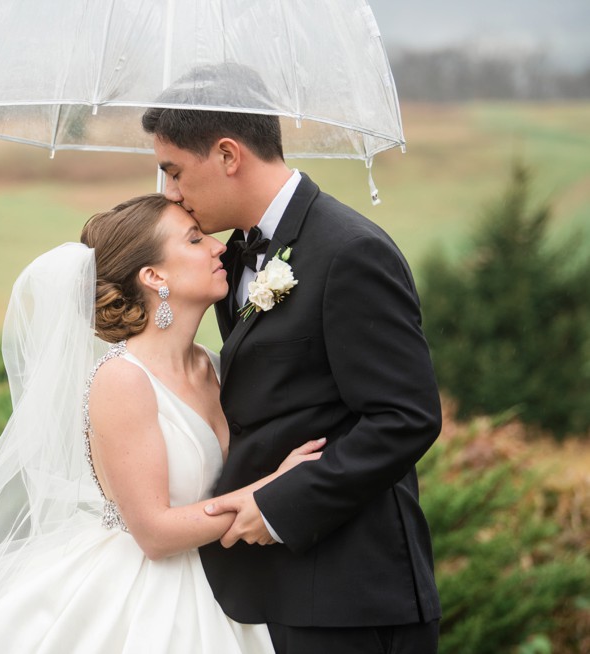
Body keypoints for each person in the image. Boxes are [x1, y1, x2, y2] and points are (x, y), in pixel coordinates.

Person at [0, 193, 326, 653]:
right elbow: (155, 533)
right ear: (154, 276)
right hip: (151, 599)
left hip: (230, 583)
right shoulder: (122, 380)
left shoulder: (216, 366)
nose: (219, 247)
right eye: (195, 238)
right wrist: (274, 491)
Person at [141, 66, 443, 654]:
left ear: (228, 154)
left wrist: (277, 506)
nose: (170, 192)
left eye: (174, 171)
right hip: (271, 593)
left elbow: (405, 417)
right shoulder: (230, 261)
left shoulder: (352, 252)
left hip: (354, 598)